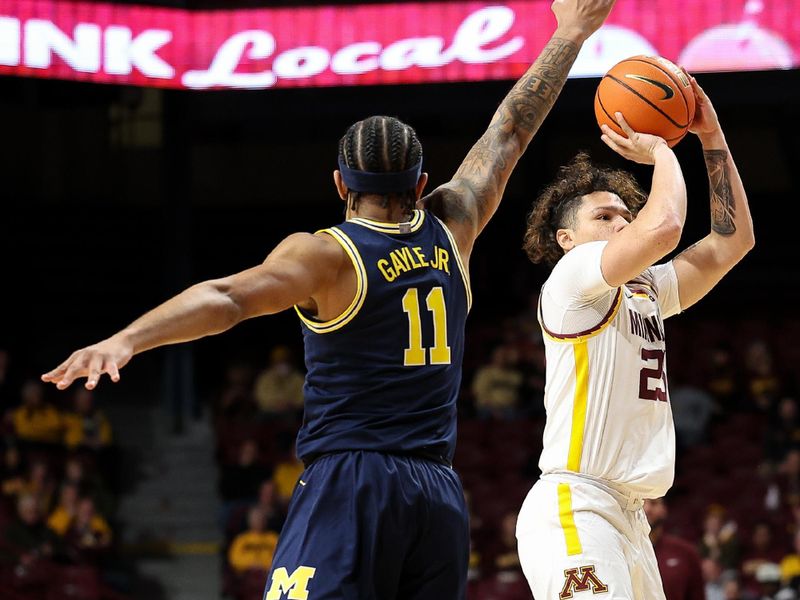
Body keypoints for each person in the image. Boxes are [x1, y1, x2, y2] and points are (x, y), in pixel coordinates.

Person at [40, 1, 617, 596]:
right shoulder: (454, 227)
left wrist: (127, 338)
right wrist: (572, 32)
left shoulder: (328, 255)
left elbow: (226, 299)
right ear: (421, 184)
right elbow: (512, 128)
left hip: (352, 483)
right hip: (439, 494)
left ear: (340, 182)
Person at [515, 72, 755, 599]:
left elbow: (731, 242)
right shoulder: (572, 277)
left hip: (630, 517)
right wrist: (661, 151)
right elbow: (665, 226)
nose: (623, 223)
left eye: (627, 214)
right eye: (605, 216)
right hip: (576, 506)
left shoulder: (643, 289)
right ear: (567, 238)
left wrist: (710, 134)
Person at [644, 498, 705, 600]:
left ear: (664, 509)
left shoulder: (686, 552)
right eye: (642, 503)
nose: (647, 509)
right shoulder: (620, 551)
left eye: (654, 503)